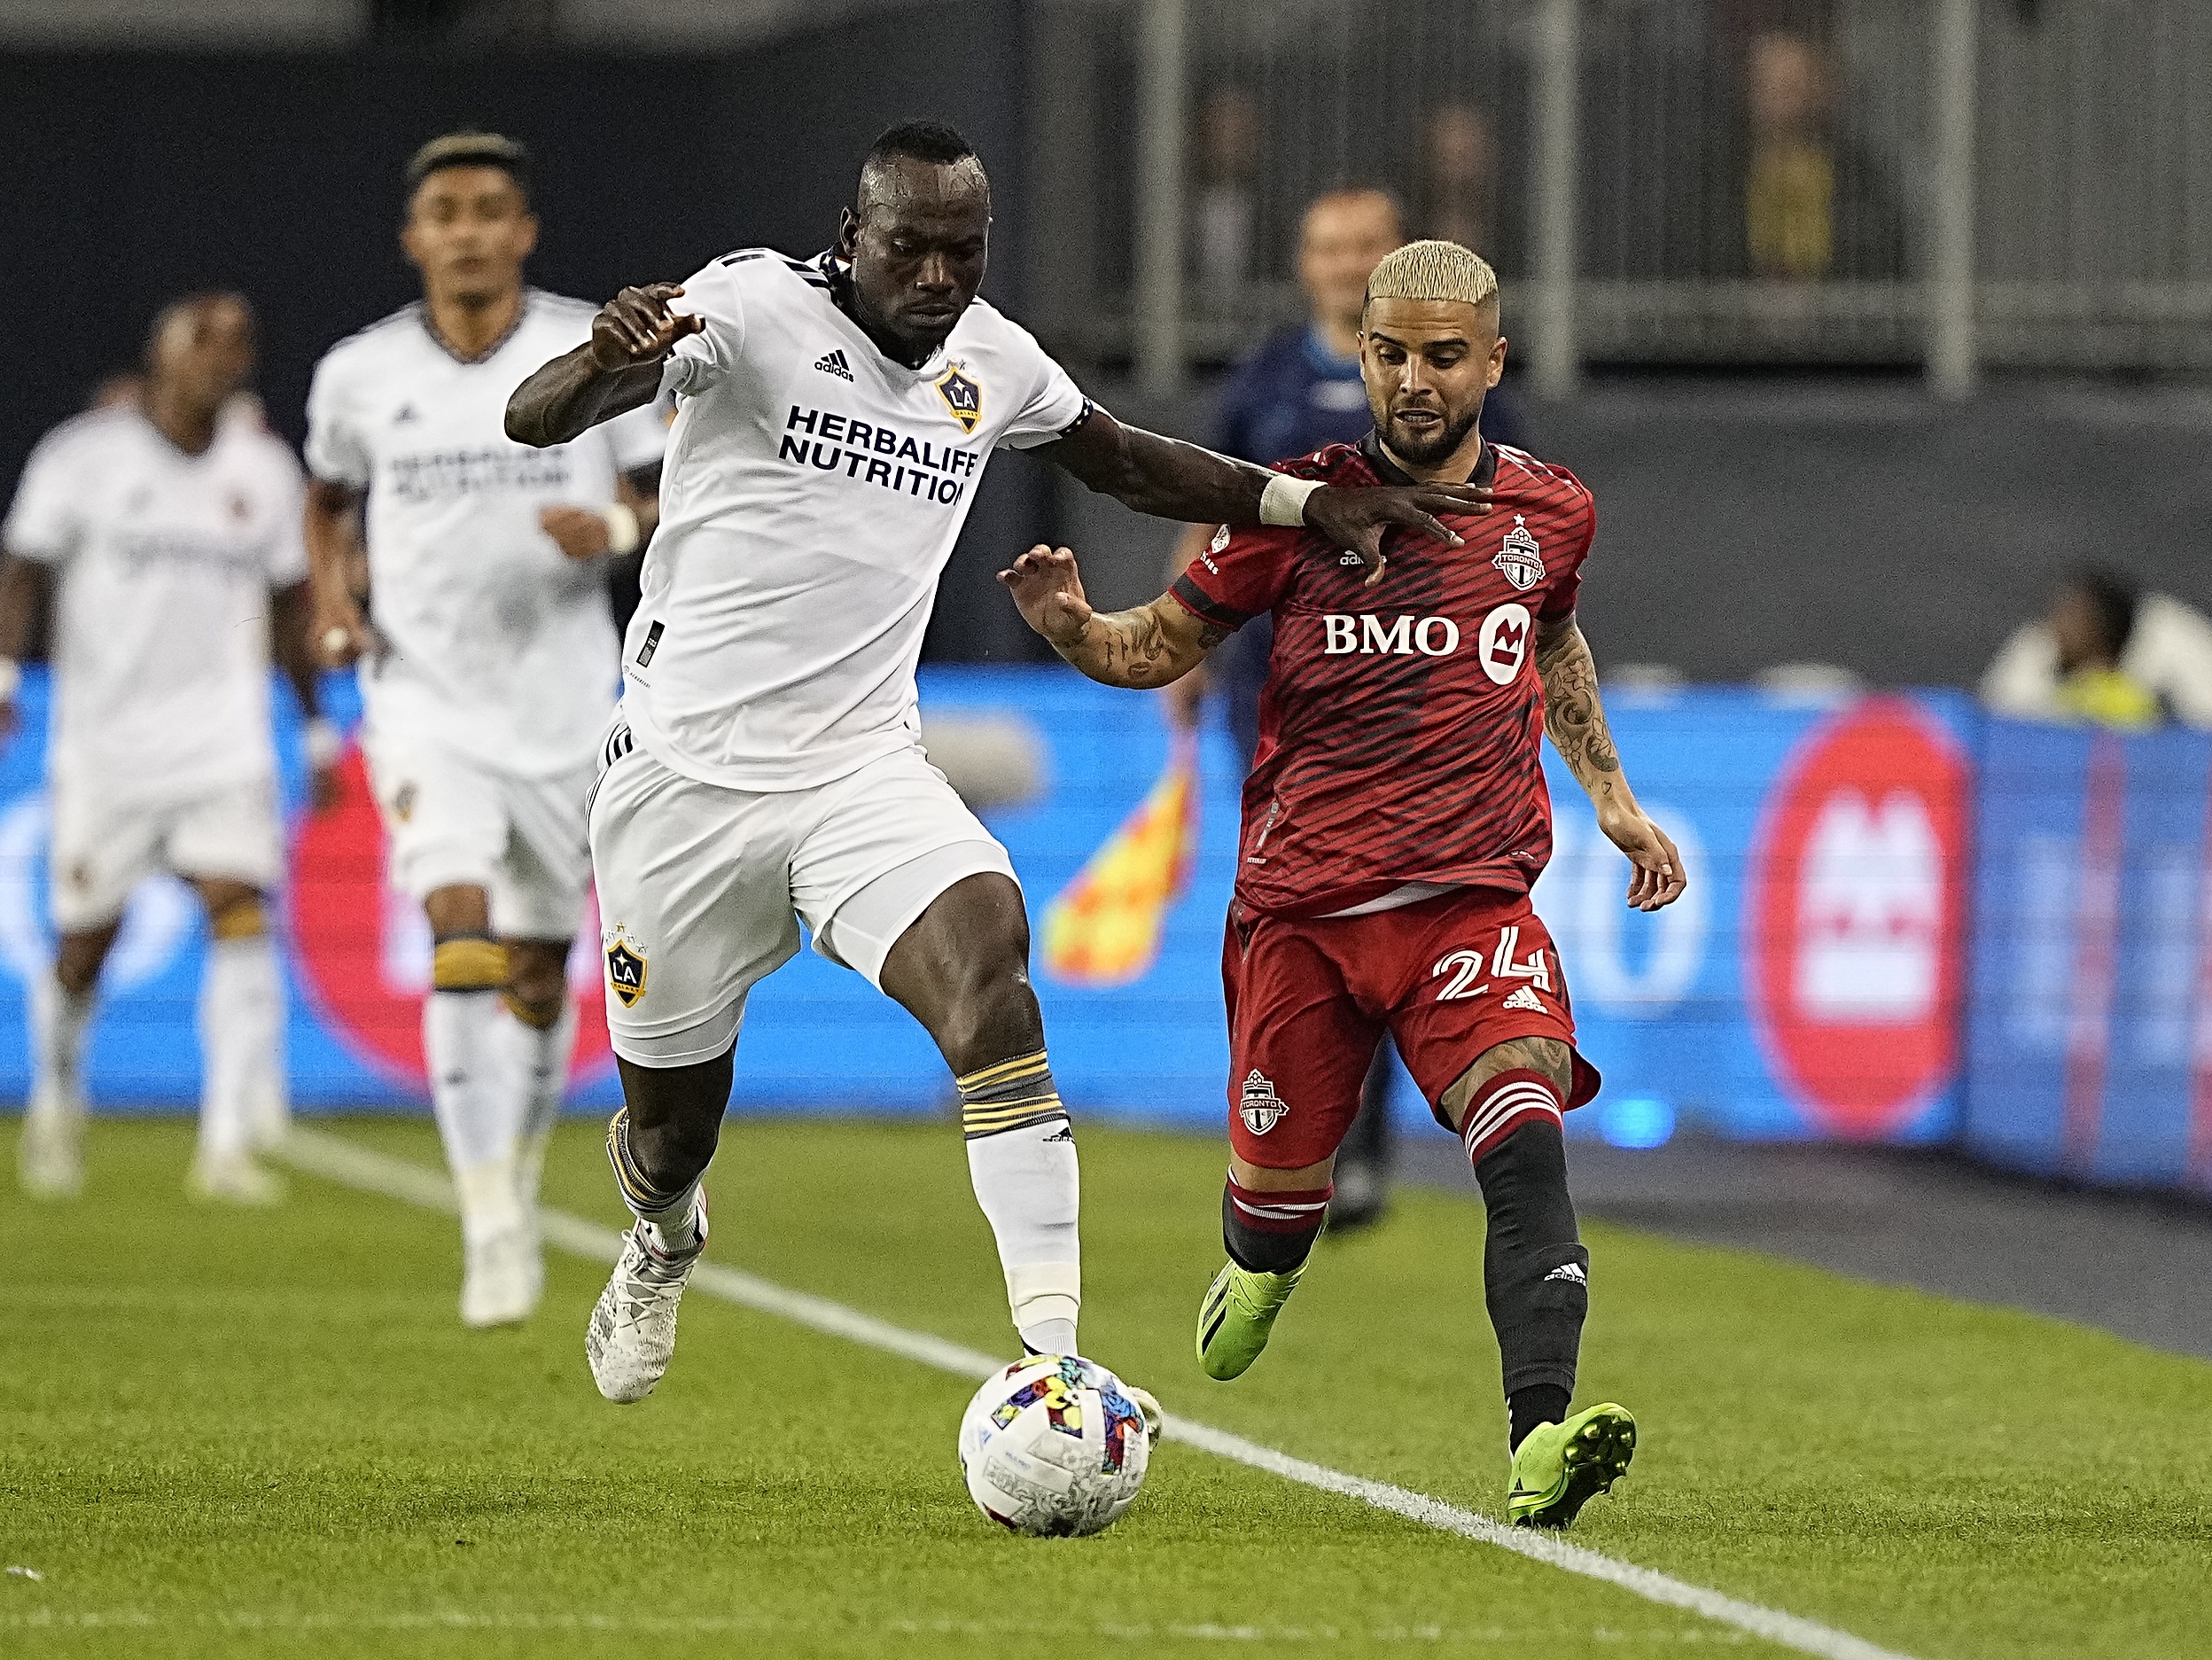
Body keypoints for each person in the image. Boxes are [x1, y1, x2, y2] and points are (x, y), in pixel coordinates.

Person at [502, 121, 1481, 1408]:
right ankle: (663, 1238)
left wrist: (1308, 506)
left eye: (963, 252)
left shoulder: (993, 359)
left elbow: (1130, 461)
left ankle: (1054, 1356)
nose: (938, 278)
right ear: (853, 239)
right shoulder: (745, 305)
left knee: (993, 977)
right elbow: (534, 419)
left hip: (861, 770)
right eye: (910, 248)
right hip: (682, 780)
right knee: (672, 1130)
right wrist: (600, 355)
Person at [1001, 241, 1687, 1528]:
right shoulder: (1287, 507)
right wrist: (1073, 631)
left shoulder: (1552, 512)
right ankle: (1261, 1264)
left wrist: (1613, 798)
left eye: (1443, 356)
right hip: (1302, 925)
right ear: (1360, 355)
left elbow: (1551, 637)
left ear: (1494, 360)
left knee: (1525, 1141)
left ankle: (1541, 1437)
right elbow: (1160, 645)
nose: (1415, 381)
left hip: (1473, 905)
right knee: (1275, 1215)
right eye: (1391, 355)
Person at [303, 132, 668, 1328]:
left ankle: (508, 1168)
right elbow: (328, 502)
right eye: (444, 211)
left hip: (568, 707)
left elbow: (672, 498)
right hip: (424, 703)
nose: (466, 229)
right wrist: (338, 603)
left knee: (534, 961)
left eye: (488, 209)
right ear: (414, 239)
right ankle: (490, 1222)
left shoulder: (591, 350)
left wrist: (611, 534)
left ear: (523, 232)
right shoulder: (359, 374)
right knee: (454, 919)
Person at [1164, 185, 1530, 1232]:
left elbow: (1514, 517)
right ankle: (1288, 1140)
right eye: (1327, 246)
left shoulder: (1452, 376)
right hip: (1278, 696)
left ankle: (1357, 1152)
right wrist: (1184, 645)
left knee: (1388, 922)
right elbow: (1214, 509)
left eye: (1364, 244)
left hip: (1417, 703)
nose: (1343, 262)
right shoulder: (1268, 377)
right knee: (1283, 919)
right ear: (1304, 264)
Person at [2, 293, 337, 1203]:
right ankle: (58, 1095)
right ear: (162, 354)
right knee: (83, 947)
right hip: (105, 745)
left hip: (223, 741)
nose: (224, 360)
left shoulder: (264, 469)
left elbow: (286, 605)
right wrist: (3, 672)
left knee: (239, 909)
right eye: (206, 343)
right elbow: (23, 567)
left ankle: (226, 1141)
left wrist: (313, 729)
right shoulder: (84, 457)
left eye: (240, 345)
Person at [1979, 566, 2208, 732]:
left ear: (2103, 630)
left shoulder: (2173, 645)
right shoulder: (2039, 646)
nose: (2058, 628)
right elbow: (2000, 716)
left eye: (2074, 619)